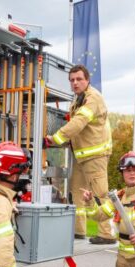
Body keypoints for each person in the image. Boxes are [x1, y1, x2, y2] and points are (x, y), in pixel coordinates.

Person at [45, 64, 114, 244]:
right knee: (77, 191)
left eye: (79, 79)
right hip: (81, 155)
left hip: (96, 155)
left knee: (100, 193)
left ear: (87, 80)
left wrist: (56, 138)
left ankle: (106, 233)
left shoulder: (93, 98)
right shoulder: (78, 99)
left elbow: (80, 121)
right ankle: (79, 231)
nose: (75, 83)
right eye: (72, 80)